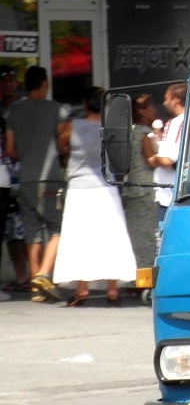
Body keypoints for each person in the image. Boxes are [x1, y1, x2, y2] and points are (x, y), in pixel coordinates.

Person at [53, 87, 138, 306]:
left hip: (79, 188)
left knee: (79, 237)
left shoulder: (70, 127)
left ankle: (81, 289)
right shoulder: (112, 128)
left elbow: (62, 148)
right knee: (110, 236)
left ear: (84, 103)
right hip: (106, 186)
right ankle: (112, 291)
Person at [4, 66, 68, 302]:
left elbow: (10, 150)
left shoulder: (14, 111)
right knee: (56, 228)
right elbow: (63, 143)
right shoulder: (56, 109)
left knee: (31, 233)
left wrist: (28, 155)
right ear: (44, 84)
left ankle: (35, 288)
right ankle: (43, 274)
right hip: (50, 176)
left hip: (26, 178)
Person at [121, 94, 160, 269]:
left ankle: (132, 274)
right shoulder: (144, 133)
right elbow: (151, 160)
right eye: (151, 107)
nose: (155, 110)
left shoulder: (128, 131)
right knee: (147, 234)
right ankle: (145, 271)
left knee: (133, 233)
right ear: (142, 111)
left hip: (131, 188)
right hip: (145, 189)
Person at [0, 64, 29, 293]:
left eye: (11, 80)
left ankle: (28, 276)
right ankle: (20, 278)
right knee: (10, 229)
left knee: (23, 227)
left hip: (21, 171)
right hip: (3, 173)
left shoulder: (22, 107)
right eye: (4, 80)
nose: (8, 84)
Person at [152, 82, 186, 223]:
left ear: (175, 100)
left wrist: (153, 158)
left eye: (166, 99)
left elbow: (167, 160)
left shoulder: (176, 123)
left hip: (169, 197)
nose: (164, 103)